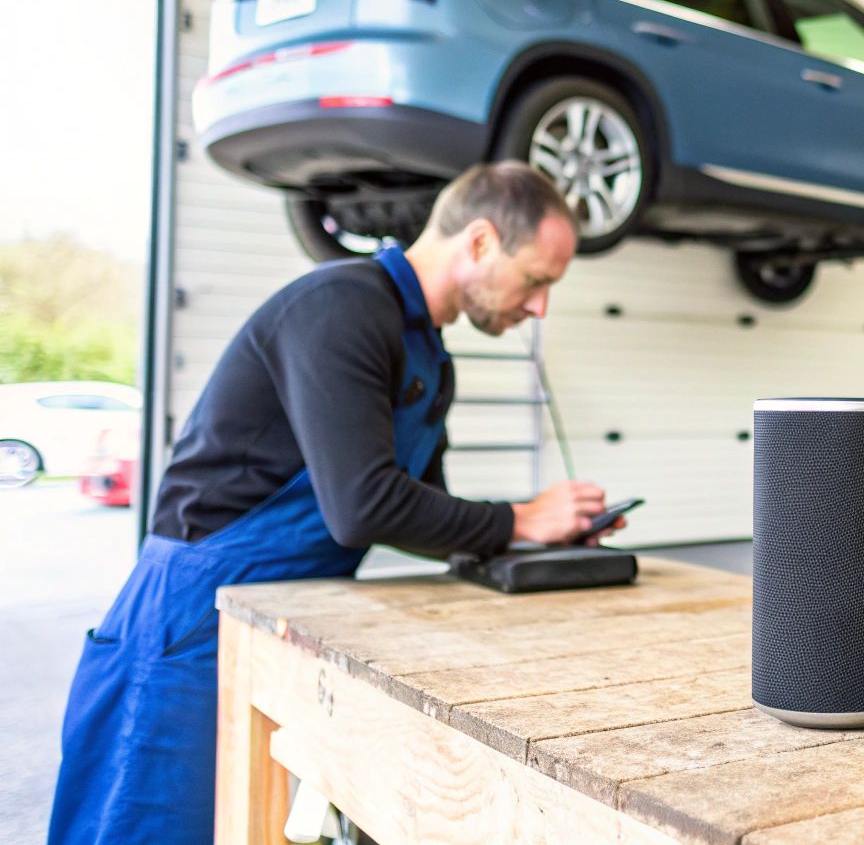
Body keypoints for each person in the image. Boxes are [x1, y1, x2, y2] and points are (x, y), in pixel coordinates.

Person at [49, 163, 619, 845]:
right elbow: (363, 506)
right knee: (150, 828)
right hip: (191, 620)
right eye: (537, 280)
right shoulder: (341, 308)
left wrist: (535, 539)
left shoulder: (431, 359)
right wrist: (519, 516)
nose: (539, 308)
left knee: (245, 823)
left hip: (289, 618)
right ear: (479, 241)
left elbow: (421, 508)